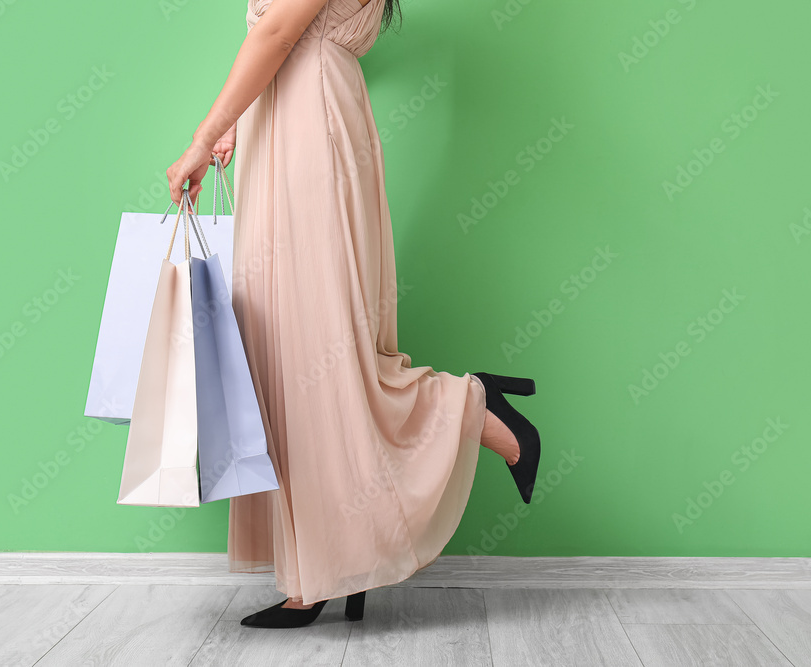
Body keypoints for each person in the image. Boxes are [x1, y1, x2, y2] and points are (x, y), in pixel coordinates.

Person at [166, 0, 541, 629]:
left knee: (315, 347)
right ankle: (328, 564)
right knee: (288, 346)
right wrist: (238, 120)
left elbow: (283, 30)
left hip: (309, 125)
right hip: (287, 119)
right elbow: (281, 36)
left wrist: (204, 136)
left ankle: (480, 413)